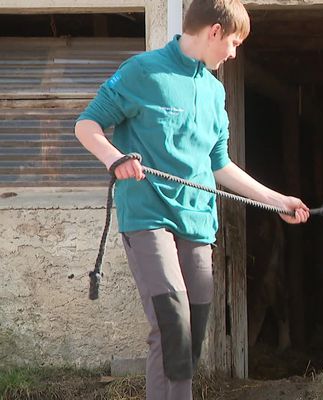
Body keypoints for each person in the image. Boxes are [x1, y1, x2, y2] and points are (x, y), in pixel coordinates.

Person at [74, 0, 310, 399]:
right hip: (149, 217)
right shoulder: (143, 72)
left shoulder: (215, 93)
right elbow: (87, 124)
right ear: (214, 31)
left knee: (191, 334)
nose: (234, 53)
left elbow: (220, 165)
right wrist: (115, 159)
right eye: (233, 42)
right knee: (171, 322)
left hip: (198, 222)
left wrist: (277, 200)